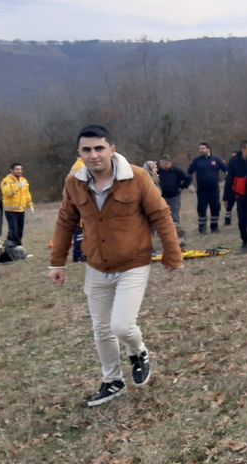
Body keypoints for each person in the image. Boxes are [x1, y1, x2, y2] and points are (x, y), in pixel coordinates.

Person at [48, 124, 183, 407]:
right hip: (96, 265)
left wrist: (173, 252)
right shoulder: (74, 182)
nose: (94, 155)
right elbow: (65, 221)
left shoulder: (137, 177)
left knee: (121, 326)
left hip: (133, 263)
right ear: (79, 153)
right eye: (87, 150)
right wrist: (56, 262)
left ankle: (139, 351)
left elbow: (160, 214)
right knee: (101, 328)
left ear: (112, 149)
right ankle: (112, 381)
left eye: (99, 148)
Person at [187, 142, 228, 234]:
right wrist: (189, 184)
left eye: (203, 148)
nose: (201, 150)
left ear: (208, 149)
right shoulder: (196, 161)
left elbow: (226, 169)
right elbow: (189, 173)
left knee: (215, 208)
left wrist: (227, 181)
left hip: (214, 189)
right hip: (202, 190)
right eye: (200, 149)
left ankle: (214, 227)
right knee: (201, 208)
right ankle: (202, 228)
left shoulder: (216, 159)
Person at [0, 163, 34, 246]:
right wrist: (18, 187)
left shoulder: (24, 180)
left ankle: (10, 246)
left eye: (20, 169)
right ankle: (17, 246)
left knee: (20, 230)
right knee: (13, 230)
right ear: (11, 170)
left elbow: (27, 193)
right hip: (10, 210)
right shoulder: (6, 180)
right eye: (17, 169)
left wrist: (30, 204)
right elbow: (7, 193)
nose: (19, 171)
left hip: (21, 209)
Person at [157, 155, 191, 226]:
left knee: (174, 214)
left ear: (167, 163)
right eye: (160, 163)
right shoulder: (159, 172)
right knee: (163, 214)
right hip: (162, 197)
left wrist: (182, 187)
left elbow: (188, 178)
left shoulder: (176, 171)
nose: (160, 165)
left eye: (162, 163)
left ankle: (176, 230)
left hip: (174, 197)